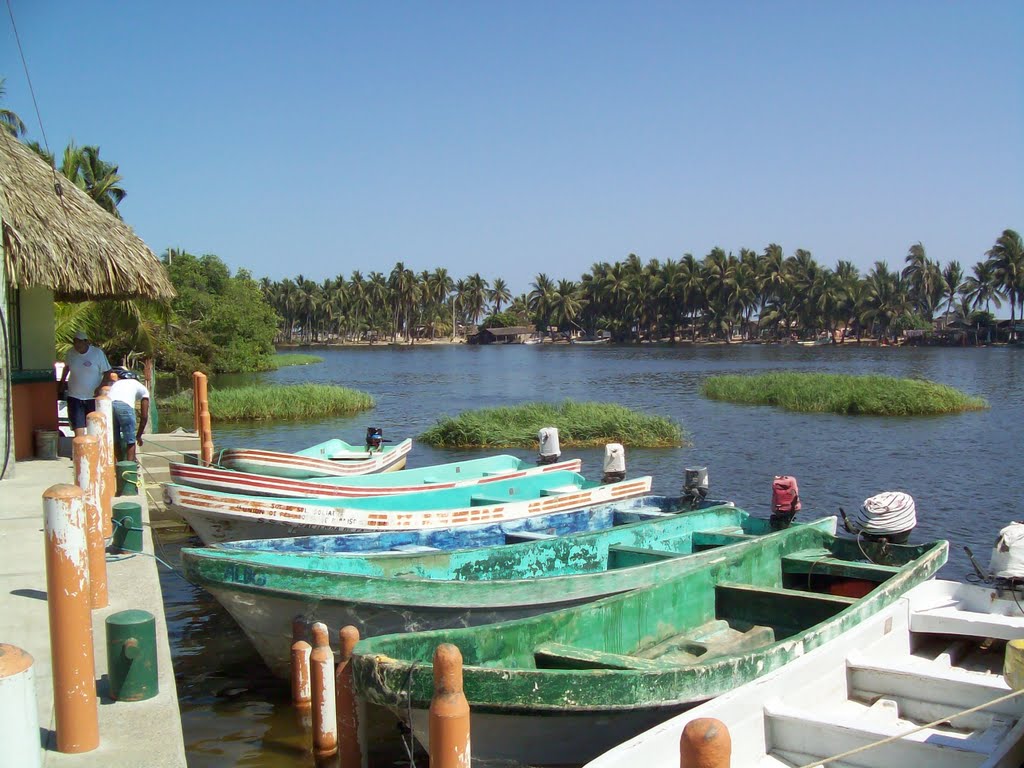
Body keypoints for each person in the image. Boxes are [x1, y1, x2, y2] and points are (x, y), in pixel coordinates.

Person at [59, 331, 110, 436]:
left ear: (86, 342)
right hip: (75, 397)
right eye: (75, 342)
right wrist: (61, 383)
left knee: (93, 427)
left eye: (79, 342)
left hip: (92, 397)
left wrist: (100, 387)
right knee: (78, 427)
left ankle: (93, 450)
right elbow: (67, 368)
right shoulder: (70, 353)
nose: (77, 345)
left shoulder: (97, 353)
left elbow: (107, 372)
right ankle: (80, 451)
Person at [102, 369, 150, 462]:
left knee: (115, 439)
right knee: (130, 441)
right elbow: (144, 416)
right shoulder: (142, 388)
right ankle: (129, 468)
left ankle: (118, 466)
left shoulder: (116, 384)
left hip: (108, 405)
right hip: (124, 406)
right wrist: (138, 436)